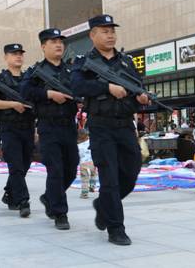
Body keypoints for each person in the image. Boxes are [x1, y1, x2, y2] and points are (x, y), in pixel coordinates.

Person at [71, 14, 149, 246]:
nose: (110, 35)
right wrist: (106, 86)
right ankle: (116, 228)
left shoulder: (126, 61)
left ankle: (104, 205)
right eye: (104, 31)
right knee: (110, 178)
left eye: (112, 30)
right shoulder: (83, 61)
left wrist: (142, 98)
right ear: (92, 35)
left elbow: (137, 90)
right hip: (101, 126)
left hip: (125, 125)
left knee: (132, 171)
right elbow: (76, 86)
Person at [21, 28, 79, 230]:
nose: (58, 45)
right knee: (55, 170)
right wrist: (48, 94)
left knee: (71, 169)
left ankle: (49, 197)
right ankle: (60, 213)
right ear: (43, 46)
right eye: (53, 42)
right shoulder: (35, 71)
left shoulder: (72, 69)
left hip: (69, 127)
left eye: (61, 42)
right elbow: (24, 90)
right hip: (48, 126)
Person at [0, 44, 35, 218]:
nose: (18, 57)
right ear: (6, 57)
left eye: (20, 54)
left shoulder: (29, 78)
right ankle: (23, 201)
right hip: (9, 128)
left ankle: (9, 192)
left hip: (28, 128)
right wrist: (12, 104)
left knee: (25, 165)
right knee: (15, 166)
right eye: (14, 54)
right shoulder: (0, 80)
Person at [77, 129, 97, 199]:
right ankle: (92, 186)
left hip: (83, 164)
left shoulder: (77, 146)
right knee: (93, 175)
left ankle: (84, 194)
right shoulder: (90, 142)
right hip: (92, 163)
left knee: (84, 179)